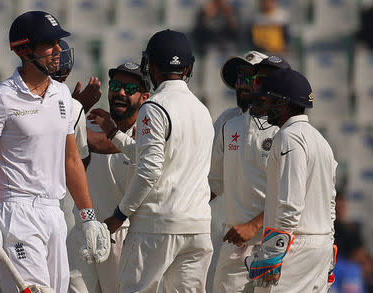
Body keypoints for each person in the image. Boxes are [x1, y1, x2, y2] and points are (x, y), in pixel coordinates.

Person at [0, 11, 110, 292]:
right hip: (15, 212)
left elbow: (71, 160)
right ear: (24, 49)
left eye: (58, 42)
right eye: (49, 44)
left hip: (54, 214)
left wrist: (87, 217)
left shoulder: (62, 95)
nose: (58, 50)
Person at [99, 29, 214, 292]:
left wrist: (120, 215)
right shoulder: (202, 110)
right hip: (197, 227)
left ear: (150, 65)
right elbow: (157, 157)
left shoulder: (155, 106)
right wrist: (115, 135)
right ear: (187, 68)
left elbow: (149, 170)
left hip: (157, 226)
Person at [245, 68, 337, 292]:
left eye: (268, 100)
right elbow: (331, 204)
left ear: (283, 103)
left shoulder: (289, 137)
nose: (264, 107)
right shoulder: (320, 140)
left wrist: (273, 253)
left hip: (296, 246)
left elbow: (290, 204)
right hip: (321, 244)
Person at [210, 55, 290, 293]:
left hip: (273, 241)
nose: (244, 83)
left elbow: (292, 197)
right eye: (241, 77)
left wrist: (255, 225)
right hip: (232, 239)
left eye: (252, 77)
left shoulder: (286, 128)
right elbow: (213, 184)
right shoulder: (227, 122)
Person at [68, 62, 150, 293]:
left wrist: (75, 110)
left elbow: (103, 143)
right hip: (84, 231)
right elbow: (73, 157)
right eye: (116, 86)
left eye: (130, 88)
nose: (121, 93)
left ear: (144, 97)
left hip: (123, 234)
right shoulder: (89, 123)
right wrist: (73, 117)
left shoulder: (149, 134)